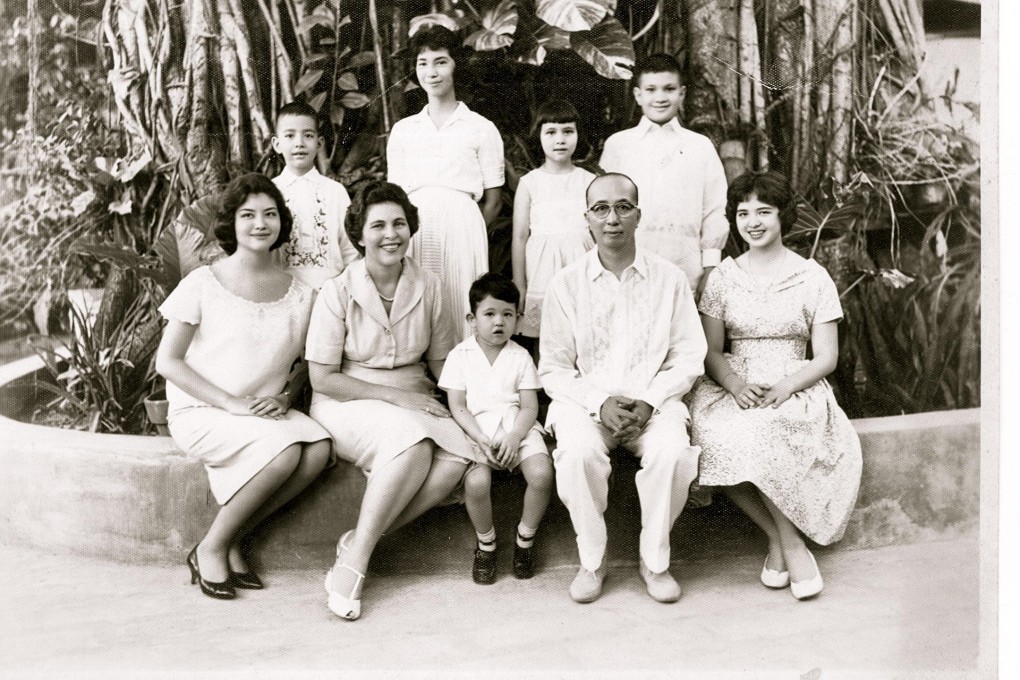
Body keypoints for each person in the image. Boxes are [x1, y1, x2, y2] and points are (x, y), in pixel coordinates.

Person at [306, 180, 482, 620]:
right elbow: (322, 378)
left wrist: (474, 408)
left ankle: (359, 540)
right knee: (414, 441)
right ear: (359, 234)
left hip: (415, 395)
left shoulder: (432, 285)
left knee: (459, 457)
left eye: (400, 223)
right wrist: (395, 398)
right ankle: (356, 563)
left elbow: (441, 364)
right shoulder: (337, 290)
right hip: (346, 400)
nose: (391, 234)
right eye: (378, 225)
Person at [155, 173, 332, 600]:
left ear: (281, 224)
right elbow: (168, 362)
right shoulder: (202, 283)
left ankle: (230, 538)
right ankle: (212, 547)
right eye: (247, 215)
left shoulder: (303, 294)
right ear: (231, 224)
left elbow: (309, 362)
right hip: (203, 411)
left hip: (262, 414)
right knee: (288, 449)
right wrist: (230, 403)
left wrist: (287, 394)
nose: (259, 224)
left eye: (270, 214)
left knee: (319, 449)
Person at [687, 170, 863, 600]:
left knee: (766, 431)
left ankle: (782, 544)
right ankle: (788, 539)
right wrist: (733, 383)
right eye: (743, 213)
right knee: (713, 436)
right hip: (736, 381)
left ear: (785, 216)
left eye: (764, 211)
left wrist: (786, 386)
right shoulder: (723, 278)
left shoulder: (812, 276)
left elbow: (826, 357)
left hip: (794, 381)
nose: (754, 221)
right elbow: (710, 350)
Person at [539, 173, 707, 604]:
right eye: (601, 209)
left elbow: (689, 355)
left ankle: (655, 562)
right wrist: (599, 402)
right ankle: (592, 562)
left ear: (638, 215)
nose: (612, 218)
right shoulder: (566, 284)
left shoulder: (669, 279)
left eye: (622, 207)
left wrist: (650, 401)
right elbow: (554, 369)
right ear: (587, 219)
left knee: (672, 453)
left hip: (653, 402)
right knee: (577, 453)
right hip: (586, 404)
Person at [386, 25, 505, 342]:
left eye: (440, 62)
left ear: (455, 66)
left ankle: (464, 385)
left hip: (464, 229)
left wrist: (470, 229)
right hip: (417, 231)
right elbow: (395, 197)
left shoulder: (482, 128)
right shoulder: (403, 130)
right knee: (419, 309)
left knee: (460, 305)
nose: (431, 72)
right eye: (423, 63)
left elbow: (493, 200)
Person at [438, 273, 555, 584]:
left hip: (517, 428)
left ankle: (524, 540)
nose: (498, 322)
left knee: (542, 475)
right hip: (476, 431)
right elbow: (458, 405)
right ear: (472, 318)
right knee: (476, 484)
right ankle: (486, 544)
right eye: (489, 314)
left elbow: (529, 406)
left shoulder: (520, 356)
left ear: (518, 319)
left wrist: (516, 437)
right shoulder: (460, 355)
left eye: (507, 314)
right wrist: (479, 438)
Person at [598, 53, 728, 299]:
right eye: (651, 89)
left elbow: (715, 210)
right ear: (638, 95)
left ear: (682, 93)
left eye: (669, 89)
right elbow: (603, 210)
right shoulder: (619, 145)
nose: (660, 97)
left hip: (687, 271)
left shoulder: (700, 146)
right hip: (627, 271)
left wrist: (710, 267)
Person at [511, 99, 596, 342]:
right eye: (551, 132)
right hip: (542, 271)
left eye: (568, 131)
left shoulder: (588, 181)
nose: (560, 139)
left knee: (583, 335)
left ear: (578, 134)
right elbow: (519, 237)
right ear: (538, 136)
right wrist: (520, 283)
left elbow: (597, 233)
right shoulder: (530, 183)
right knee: (545, 338)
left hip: (582, 268)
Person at [272, 101, 360, 290]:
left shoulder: (335, 191)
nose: (299, 143)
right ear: (277, 144)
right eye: (289, 135)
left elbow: (350, 251)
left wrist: (341, 293)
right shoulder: (269, 192)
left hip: (330, 296)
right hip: (283, 297)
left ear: (319, 143)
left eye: (308, 135)